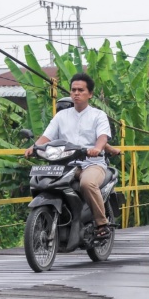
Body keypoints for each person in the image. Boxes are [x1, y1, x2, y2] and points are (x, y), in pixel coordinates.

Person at [25, 73, 113, 240]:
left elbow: (102, 137)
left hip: (91, 163)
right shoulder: (61, 116)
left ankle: (102, 224)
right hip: (64, 163)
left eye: (81, 90)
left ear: (90, 94)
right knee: (43, 181)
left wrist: (97, 148)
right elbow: (46, 137)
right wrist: (33, 147)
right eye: (73, 90)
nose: (76, 93)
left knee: (87, 183)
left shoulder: (98, 115)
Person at [55, 97, 121, 157]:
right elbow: (101, 143)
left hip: (64, 159)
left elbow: (101, 141)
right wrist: (114, 150)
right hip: (72, 159)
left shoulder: (58, 124)